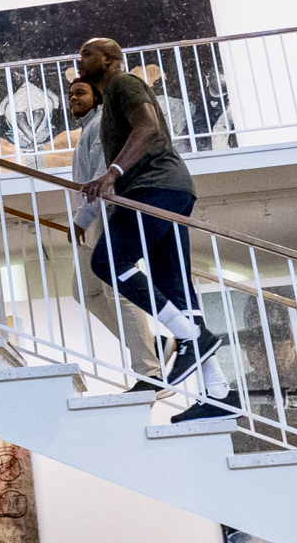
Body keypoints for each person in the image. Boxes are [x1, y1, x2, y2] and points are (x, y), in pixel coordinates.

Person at [77, 36, 233, 421]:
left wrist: (113, 173)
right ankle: (219, 395)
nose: (78, 60)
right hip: (170, 189)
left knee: (108, 261)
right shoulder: (112, 96)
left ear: (109, 59)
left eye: (86, 54)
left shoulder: (124, 84)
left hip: (156, 187)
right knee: (175, 290)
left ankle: (189, 339)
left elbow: (147, 128)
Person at [68, 71, 160, 393]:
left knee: (116, 290)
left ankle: (151, 374)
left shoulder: (100, 124)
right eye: (70, 95)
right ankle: (153, 345)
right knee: (85, 291)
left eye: (80, 92)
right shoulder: (86, 130)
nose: (74, 99)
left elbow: (99, 175)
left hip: (103, 212)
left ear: (96, 96)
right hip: (92, 217)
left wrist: (83, 215)